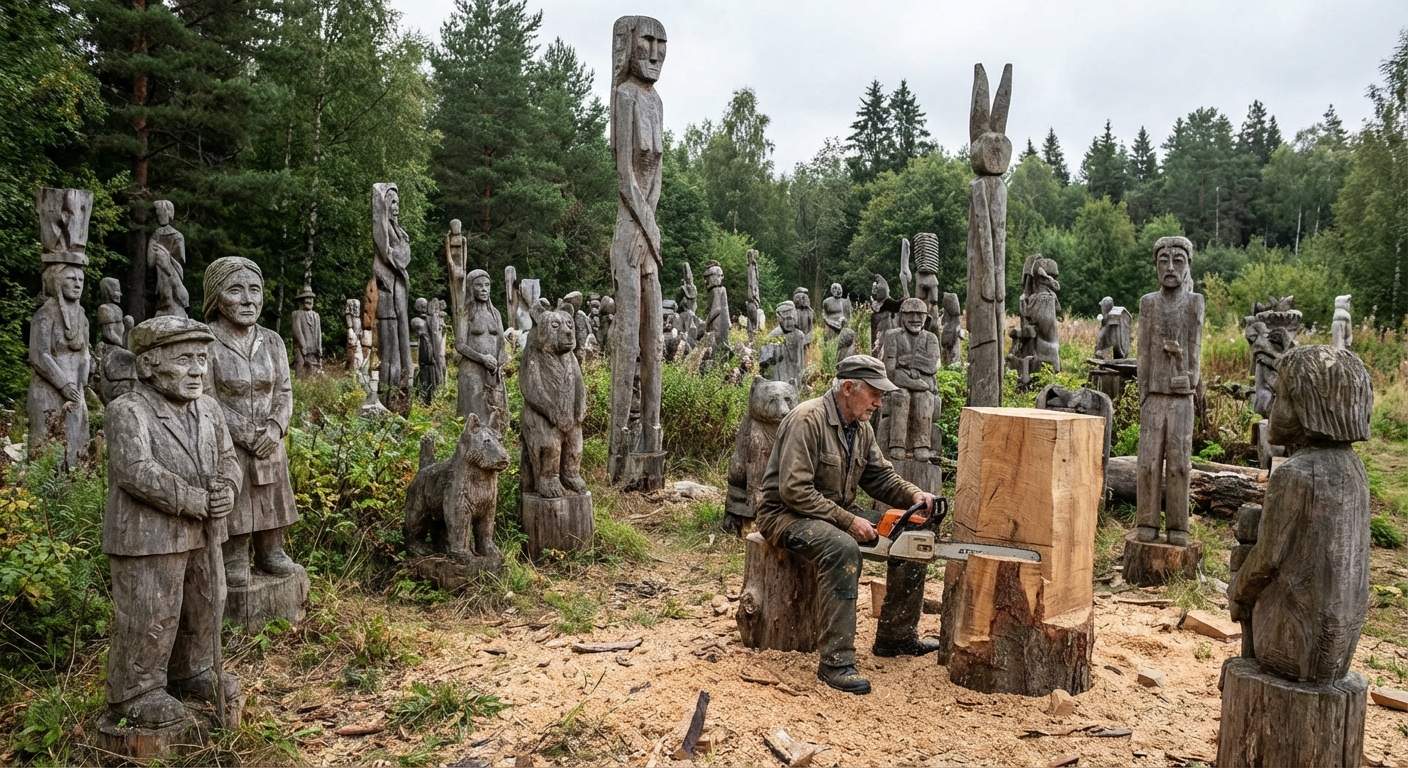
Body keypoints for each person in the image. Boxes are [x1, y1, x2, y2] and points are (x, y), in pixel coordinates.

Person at [755, 355, 939, 695]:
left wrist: (916, 497)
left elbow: (880, 477)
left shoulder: (861, 427)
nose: (879, 402)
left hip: (833, 509)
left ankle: (896, 637)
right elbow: (794, 490)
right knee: (842, 548)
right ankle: (835, 662)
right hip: (785, 514)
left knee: (913, 533)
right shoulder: (807, 420)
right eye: (874, 393)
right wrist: (847, 521)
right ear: (849, 387)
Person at [104, 315, 241, 727]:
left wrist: (227, 489)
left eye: (202, 357)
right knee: (152, 611)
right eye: (184, 359)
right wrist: (196, 499)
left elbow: (229, 459)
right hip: (149, 537)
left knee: (207, 602)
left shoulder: (210, 409)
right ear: (148, 365)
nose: (198, 369)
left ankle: (193, 670)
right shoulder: (128, 410)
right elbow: (136, 470)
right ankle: (137, 690)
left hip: (205, 532)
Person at [203, 257, 300, 587]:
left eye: (255, 290)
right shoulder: (206, 341)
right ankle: (234, 554)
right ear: (216, 296)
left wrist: (275, 427)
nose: (248, 300)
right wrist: (245, 433)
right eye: (235, 290)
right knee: (238, 494)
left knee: (273, 493)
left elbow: (285, 390)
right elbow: (206, 396)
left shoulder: (272, 340)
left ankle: (272, 549)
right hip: (230, 442)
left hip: (270, 440)